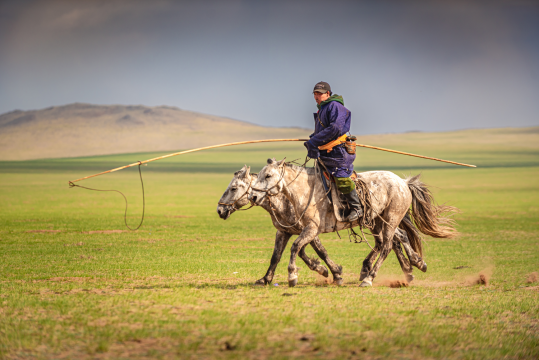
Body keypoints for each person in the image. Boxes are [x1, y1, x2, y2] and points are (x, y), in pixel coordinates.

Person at [304, 81, 363, 222]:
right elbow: (323, 131)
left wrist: (314, 141)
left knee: (341, 176)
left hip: (338, 153)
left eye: (320, 93)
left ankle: (357, 208)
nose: (317, 96)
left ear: (328, 94)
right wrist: (313, 139)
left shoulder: (335, 106)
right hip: (327, 153)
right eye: (315, 93)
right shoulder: (322, 109)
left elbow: (335, 129)